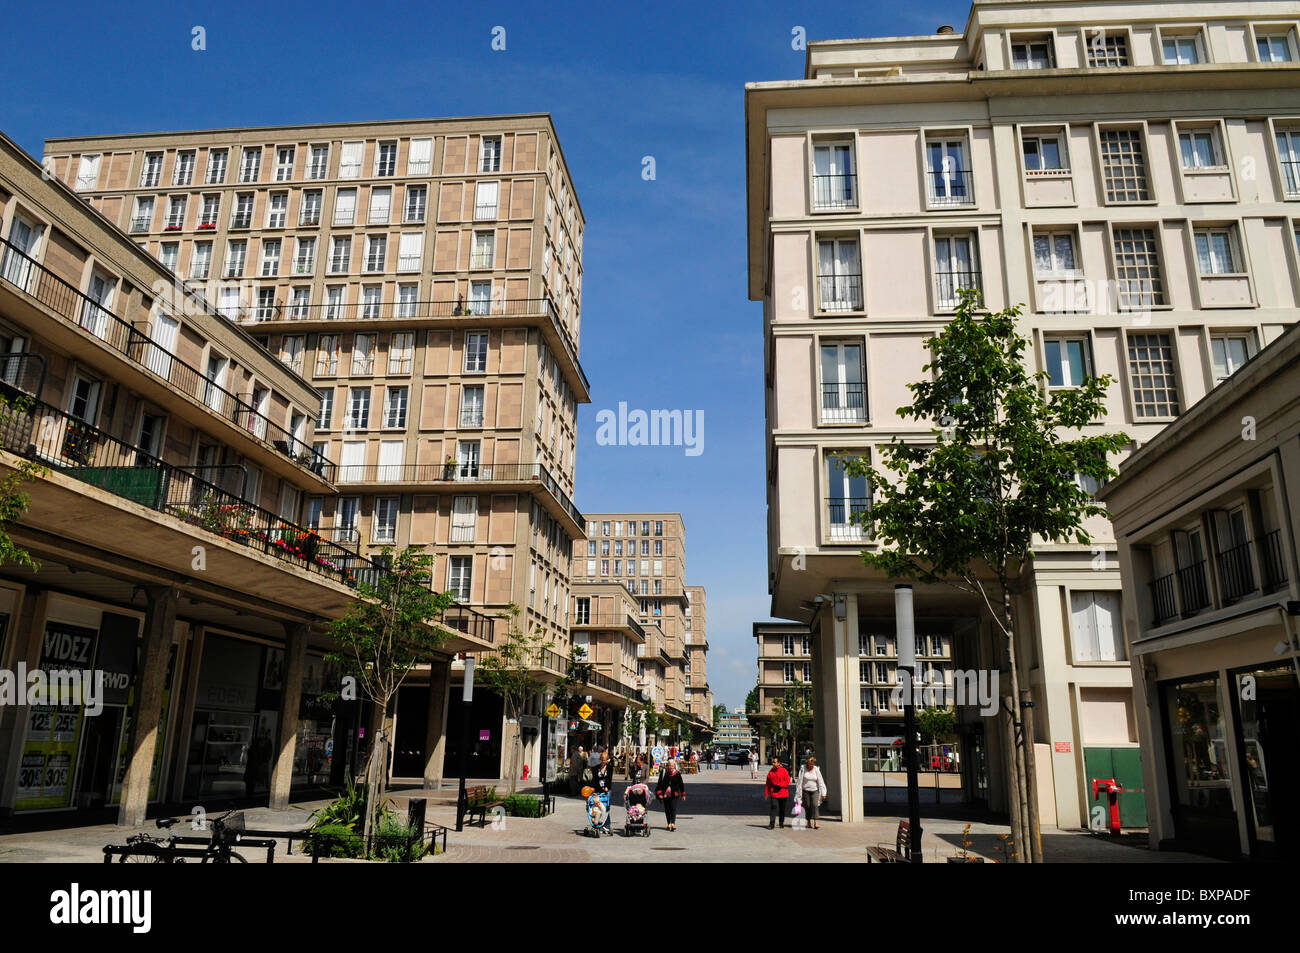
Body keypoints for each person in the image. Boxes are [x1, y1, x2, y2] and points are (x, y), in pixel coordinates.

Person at [795, 756, 828, 830]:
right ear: (807, 763)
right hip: (805, 791)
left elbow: (821, 781)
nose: (811, 766)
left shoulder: (816, 769)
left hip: (814, 790)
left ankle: (816, 821)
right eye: (810, 764)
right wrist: (797, 794)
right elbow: (799, 782)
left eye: (813, 764)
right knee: (807, 806)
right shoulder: (803, 769)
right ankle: (808, 821)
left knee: (815, 805)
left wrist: (823, 793)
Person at [655, 758, 686, 831]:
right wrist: (659, 793)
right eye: (670, 766)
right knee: (667, 809)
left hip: (674, 794)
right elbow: (659, 783)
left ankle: (673, 823)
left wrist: (683, 794)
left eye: (672, 766)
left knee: (673, 808)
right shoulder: (664, 772)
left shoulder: (677, 773)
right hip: (665, 794)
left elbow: (681, 784)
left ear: (674, 766)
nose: (671, 767)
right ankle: (669, 822)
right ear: (667, 766)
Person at [765, 757, 791, 829]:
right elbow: (768, 784)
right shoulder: (771, 772)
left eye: (775, 762)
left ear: (779, 763)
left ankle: (781, 822)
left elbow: (787, 781)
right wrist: (767, 793)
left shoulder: (784, 770)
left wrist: (780, 785)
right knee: (773, 807)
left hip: (783, 793)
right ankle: (772, 823)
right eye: (773, 762)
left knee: (782, 809)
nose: (773, 763)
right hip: (774, 793)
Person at [594, 750, 615, 834]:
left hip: (607, 790)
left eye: (605, 760)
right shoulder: (596, 768)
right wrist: (595, 790)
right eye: (602, 759)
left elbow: (609, 779)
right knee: (598, 807)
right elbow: (595, 780)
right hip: (598, 790)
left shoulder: (609, 768)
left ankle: (607, 825)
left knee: (606, 807)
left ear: (607, 760)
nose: (603, 761)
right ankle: (600, 824)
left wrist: (606, 787)